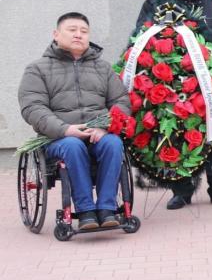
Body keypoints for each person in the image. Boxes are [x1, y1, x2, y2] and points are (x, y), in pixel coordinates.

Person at [137, 0, 212, 209]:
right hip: (172, 88)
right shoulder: (155, 5)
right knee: (177, 138)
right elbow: (141, 38)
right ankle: (181, 191)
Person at [18, 12, 130, 229]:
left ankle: (107, 209)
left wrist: (105, 126)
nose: (78, 35)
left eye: (84, 31)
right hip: (59, 138)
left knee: (114, 143)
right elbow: (32, 107)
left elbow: (121, 101)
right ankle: (86, 210)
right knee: (72, 145)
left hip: (98, 134)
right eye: (72, 30)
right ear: (56, 34)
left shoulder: (103, 68)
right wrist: (65, 129)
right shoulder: (37, 69)